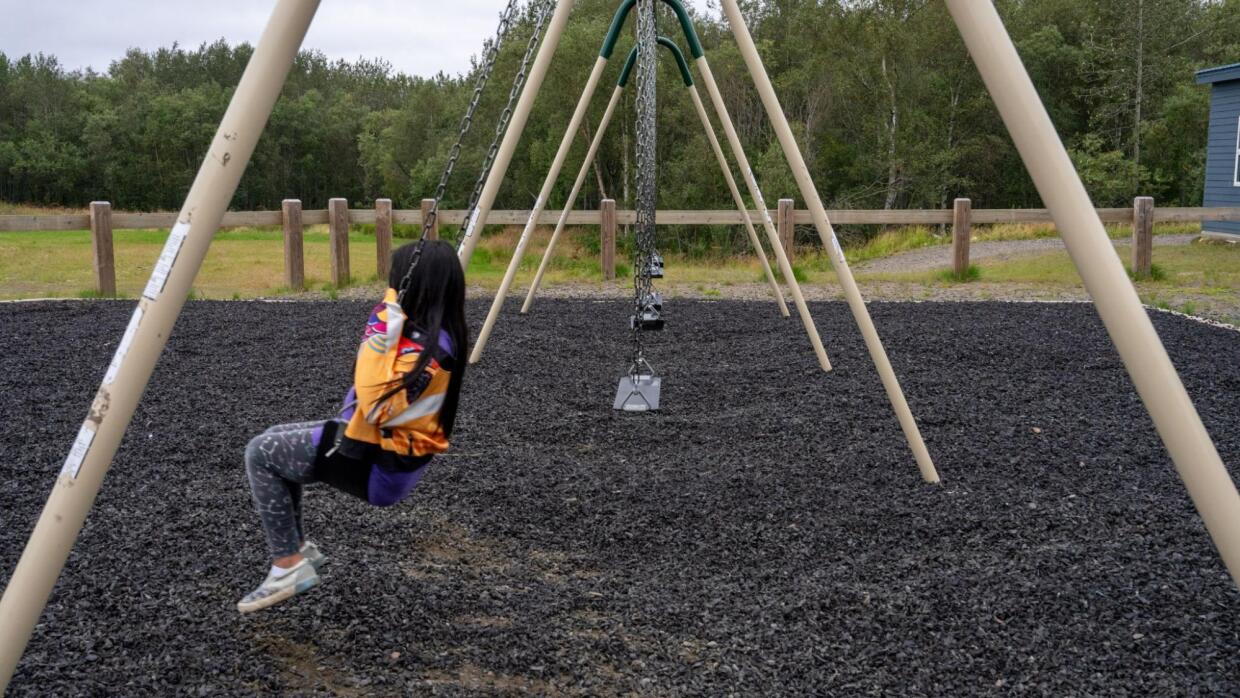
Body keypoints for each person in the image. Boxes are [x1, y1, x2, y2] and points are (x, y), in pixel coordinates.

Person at [237, 240, 468, 613]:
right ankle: (297, 550)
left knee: (260, 454)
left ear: (414, 285)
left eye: (396, 281)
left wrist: (380, 326)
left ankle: (287, 565)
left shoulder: (430, 350)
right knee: (271, 440)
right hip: (376, 446)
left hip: (376, 464)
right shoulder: (431, 332)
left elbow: (375, 401)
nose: (391, 288)